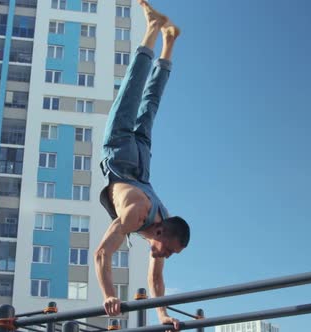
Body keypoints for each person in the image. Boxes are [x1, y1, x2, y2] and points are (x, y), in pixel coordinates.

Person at [94, 1, 190, 330]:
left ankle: (170, 40)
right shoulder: (137, 214)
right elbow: (101, 253)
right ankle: (152, 27)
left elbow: (156, 281)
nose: (165, 255)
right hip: (122, 152)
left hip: (141, 164)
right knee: (133, 90)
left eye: (170, 254)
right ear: (161, 231)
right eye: (169, 250)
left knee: (150, 101)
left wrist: (164, 315)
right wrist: (108, 294)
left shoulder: (161, 225)